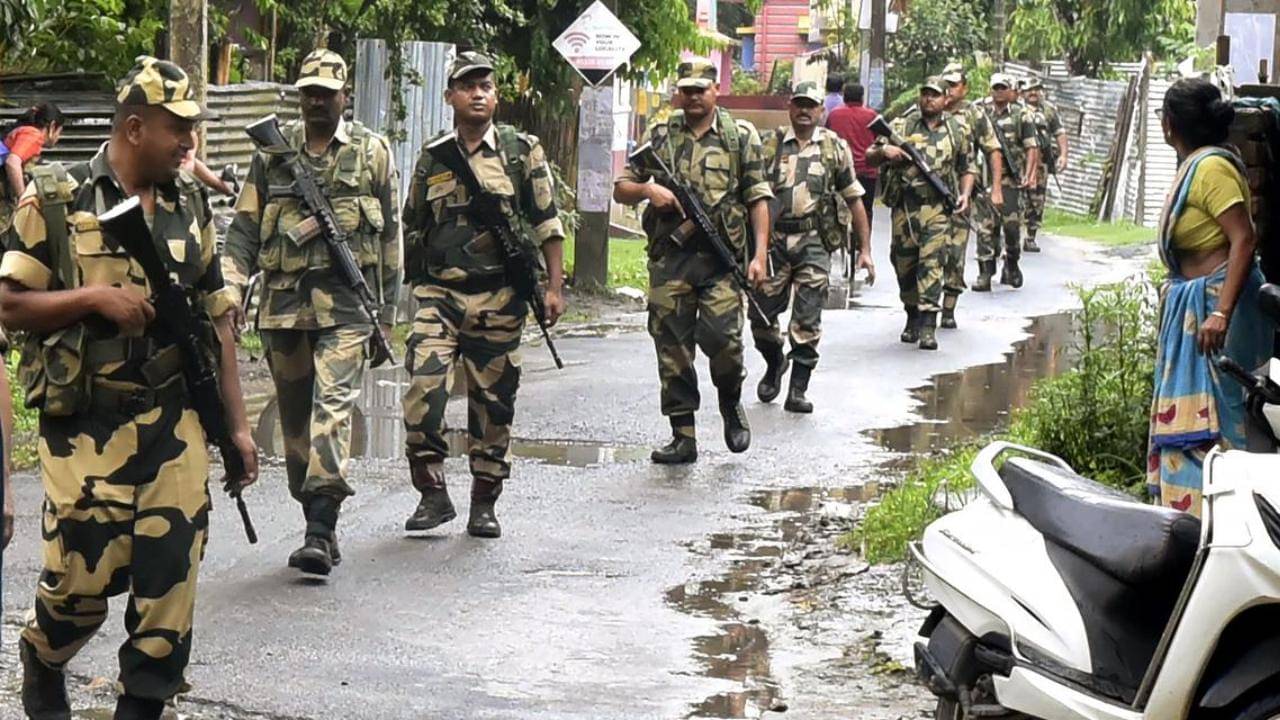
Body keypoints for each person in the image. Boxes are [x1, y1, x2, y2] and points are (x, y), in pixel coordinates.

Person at [0, 56, 257, 719]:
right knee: (81, 581)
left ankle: (143, 703)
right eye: (180, 130)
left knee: (171, 578)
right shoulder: (55, 198)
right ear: (136, 127)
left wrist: (237, 427)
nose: (189, 146)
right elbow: (9, 304)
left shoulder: (190, 204)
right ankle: (44, 652)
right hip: (87, 419)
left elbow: (219, 321)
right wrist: (95, 299)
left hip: (174, 423)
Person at [222, 48, 401, 575]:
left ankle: (320, 529)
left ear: (346, 95)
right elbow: (244, 232)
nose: (317, 101)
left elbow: (390, 236)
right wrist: (230, 290)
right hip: (283, 310)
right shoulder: (273, 153)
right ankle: (314, 510)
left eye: (327, 92)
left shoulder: (372, 153)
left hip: (347, 309)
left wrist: (385, 312)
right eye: (309, 92)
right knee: (296, 422)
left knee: (333, 411)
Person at [399, 51, 566, 538]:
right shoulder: (434, 156)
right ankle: (431, 492)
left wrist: (553, 288)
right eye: (467, 86)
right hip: (440, 296)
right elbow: (414, 222)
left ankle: (484, 501)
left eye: (486, 86)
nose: (478, 93)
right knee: (423, 390)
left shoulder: (520, 151)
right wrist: (415, 285)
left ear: (496, 95)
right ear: (450, 95)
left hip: (499, 298)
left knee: (494, 407)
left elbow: (547, 220)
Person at [614, 57, 772, 464]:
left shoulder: (740, 136)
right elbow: (621, 188)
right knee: (673, 349)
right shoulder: (660, 135)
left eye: (702, 89)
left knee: (724, 342)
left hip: (721, 263)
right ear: (678, 93)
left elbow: (758, 198)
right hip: (671, 260)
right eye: (687, 89)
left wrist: (759, 255)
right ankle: (682, 435)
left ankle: (730, 402)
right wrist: (650, 191)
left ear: (716, 90)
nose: (694, 96)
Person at [1147, 78, 1273, 516]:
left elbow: (1244, 239)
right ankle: (1191, 514)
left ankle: (1227, 516)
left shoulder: (1211, 169)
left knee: (1222, 418)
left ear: (1169, 126)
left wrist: (1220, 312)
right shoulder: (1196, 166)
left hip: (1217, 312)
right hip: (1195, 306)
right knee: (1201, 421)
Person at [754, 81, 873, 413]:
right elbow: (751, 197)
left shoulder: (835, 147)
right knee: (760, 316)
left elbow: (854, 198)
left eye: (811, 106)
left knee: (807, 318)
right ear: (790, 108)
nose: (804, 111)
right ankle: (775, 361)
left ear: (822, 111)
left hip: (814, 243)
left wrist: (865, 249)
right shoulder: (770, 145)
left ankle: (797, 389)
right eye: (799, 105)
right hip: (774, 242)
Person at [867, 77, 974, 351]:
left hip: (937, 208)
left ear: (945, 99)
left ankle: (928, 325)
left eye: (935, 95)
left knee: (933, 263)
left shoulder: (956, 129)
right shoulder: (903, 125)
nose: (929, 99)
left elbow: (967, 167)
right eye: (925, 94)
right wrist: (886, 150)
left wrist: (964, 193)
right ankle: (912, 313)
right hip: (905, 206)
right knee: (904, 264)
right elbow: (870, 154)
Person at [940, 62, 1003, 329]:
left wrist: (996, 187)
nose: (948, 90)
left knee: (955, 252)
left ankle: (948, 306)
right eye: (946, 84)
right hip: (926, 198)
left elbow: (992, 149)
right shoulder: (928, 109)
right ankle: (919, 307)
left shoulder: (974, 115)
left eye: (954, 85)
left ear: (964, 88)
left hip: (962, 195)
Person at [973, 73, 1039, 291]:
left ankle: (1011, 262)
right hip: (985, 180)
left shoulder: (1022, 115)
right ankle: (985, 272)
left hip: (1011, 181)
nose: (999, 91)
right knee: (985, 228)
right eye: (995, 88)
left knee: (1011, 227)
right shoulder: (981, 112)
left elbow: (1031, 147)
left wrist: (1029, 174)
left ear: (1010, 90)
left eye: (1003, 87)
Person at [1, 102, 65, 234]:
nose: (59, 137)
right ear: (52, 126)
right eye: (60, 131)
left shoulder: (22, 131)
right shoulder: (33, 135)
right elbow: (12, 162)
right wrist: (24, 200)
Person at [1020, 77, 1068, 252]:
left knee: (1037, 199)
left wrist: (1063, 155)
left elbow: (1059, 133)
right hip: (1018, 162)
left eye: (1036, 89)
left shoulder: (1048, 111)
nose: (1033, 92)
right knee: (1015, 199)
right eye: (1029, 89)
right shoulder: (1017, 110)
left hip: (1040, 162)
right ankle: (1007, 238)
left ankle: (1030, 236)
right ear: (1022, 91)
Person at [826, 82, 880, 229]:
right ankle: (864, 245)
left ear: (844, 97)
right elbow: (879, 141)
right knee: (866, 210)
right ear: (862, 97)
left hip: (840, 170)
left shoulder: (834, 114)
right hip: (866, 170)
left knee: (835, 208)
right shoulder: (871, 116)